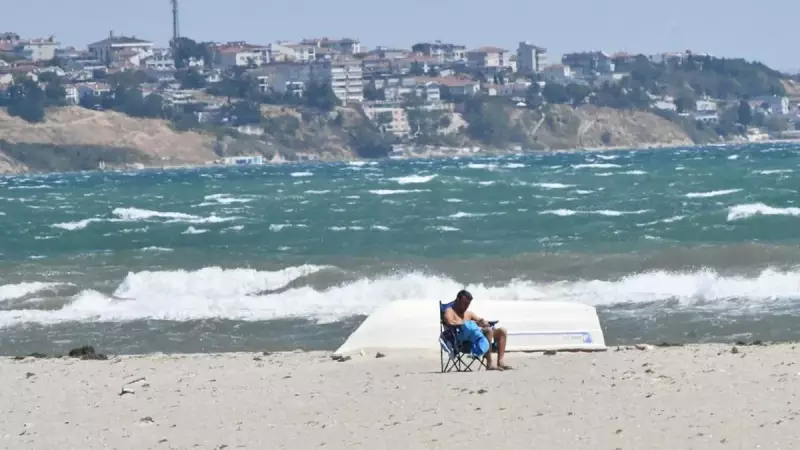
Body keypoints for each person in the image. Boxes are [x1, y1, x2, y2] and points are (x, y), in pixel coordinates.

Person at [442, 290, 511, 370]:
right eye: (464, 304)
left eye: (468, 304)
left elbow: (481, 322)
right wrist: (467, 323)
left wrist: (482, 322)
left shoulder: (469, 314)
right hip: (461, 342)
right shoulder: (450, 311)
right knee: (488, 331)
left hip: (477, 337)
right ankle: (490, 364)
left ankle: (500, 362)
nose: (466, 306)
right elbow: (449, 322)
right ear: (457, 300)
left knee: (502, 331)